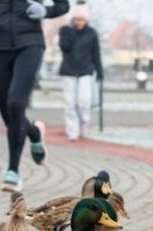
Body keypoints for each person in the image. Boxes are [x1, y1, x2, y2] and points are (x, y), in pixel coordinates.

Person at [0, 0, 70, 192]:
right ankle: (34, 132)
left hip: (30, 44)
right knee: (9, 116)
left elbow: (63, 5)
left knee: (16, 104)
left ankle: (13, 171)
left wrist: (45, 11)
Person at [58, 5, 103, 141]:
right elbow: (64, 47)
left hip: (85, 70)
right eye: (77, 19)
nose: (79, 22)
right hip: (68, 70)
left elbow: (96, 53)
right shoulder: (65, 31)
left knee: (84, 101)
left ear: (86, 20)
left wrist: (99, 70)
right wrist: (72, 32)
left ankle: (85, 125)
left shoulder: (91, 33)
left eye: (82, 20)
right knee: (70, 103)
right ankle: (72, 130)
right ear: (73, 19)